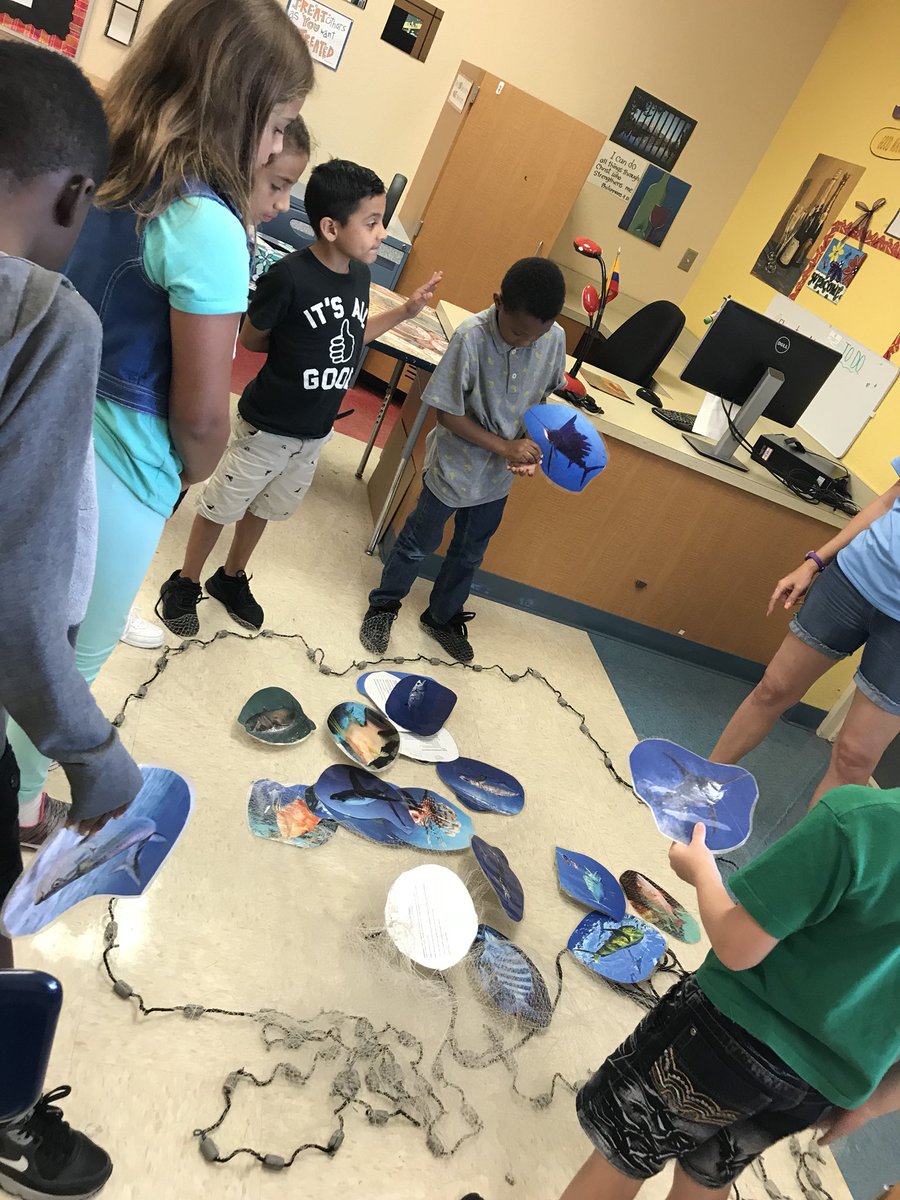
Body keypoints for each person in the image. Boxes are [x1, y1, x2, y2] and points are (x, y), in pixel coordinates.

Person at [5, 0, 314, 848]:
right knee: (64, 665)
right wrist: (191, 471)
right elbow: (206, 417)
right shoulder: (208, 224)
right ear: (242, 105)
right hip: (123, 473)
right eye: (278, 121)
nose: (275, 144)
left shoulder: (96, 161)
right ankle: (24, 808)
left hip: (30, 421)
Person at [0, 40, 144, 1199]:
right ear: (72, 198)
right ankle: (3, 1115)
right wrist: (94, 761)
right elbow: (12, 601)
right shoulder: (48, 320)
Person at [561, 791, 900, 1200]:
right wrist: (871, 1104)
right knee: (709, 1173)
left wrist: (702, 871)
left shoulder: (858, 823)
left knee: (626, 1152)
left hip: (724, 1036)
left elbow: (737, 947)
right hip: (813, 1090)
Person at [157, 158, 441, 634]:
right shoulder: (288, 276)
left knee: (265, 507)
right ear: (331, 227)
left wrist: (406, 313)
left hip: (313, 432)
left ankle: (231, 577)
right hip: (266, 426)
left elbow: (354, 337)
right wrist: (295, 349)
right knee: (220, 506)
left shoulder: (359, 278)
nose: (381, 233)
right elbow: (252, 338)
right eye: (372, 222)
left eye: (382, 221)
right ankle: (185, 581)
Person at [359, 257, 567, 663]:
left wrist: (527, 445)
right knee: (418, 544)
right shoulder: (471, 337)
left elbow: (543, 397)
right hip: (454, 468)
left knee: (471, 552)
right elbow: (447, 414)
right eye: (516, 332)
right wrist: (506, 447)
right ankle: (383, 606)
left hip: (497, 479)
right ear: (498, 302)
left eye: (533, 337)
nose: (523, 342)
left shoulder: (552, 337)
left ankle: (440, 617)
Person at [710, 460, 900, 806]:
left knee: (854, 758)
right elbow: (890, 500)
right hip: (852, 579)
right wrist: (815, 561)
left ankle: (805, 858)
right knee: (773, 688)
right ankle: (701, 788)